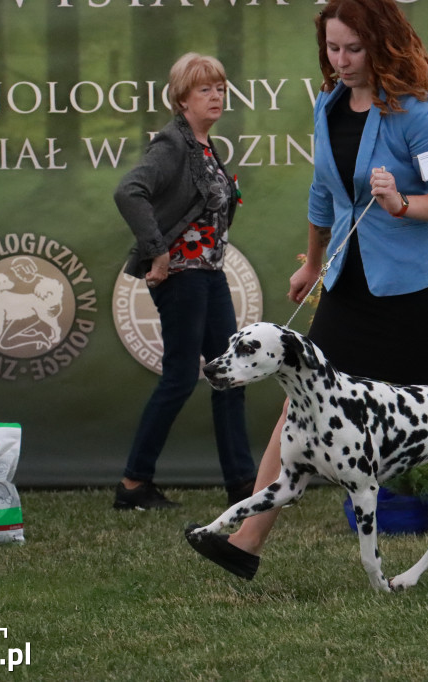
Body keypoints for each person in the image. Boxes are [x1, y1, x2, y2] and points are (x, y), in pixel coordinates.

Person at [186, 0, 428, 577]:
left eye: (353, 49)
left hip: (410, 294)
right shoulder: (328, 104)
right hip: (345, 287)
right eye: (333, 48)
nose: (340, 60)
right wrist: (312, 265)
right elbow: (323, 193)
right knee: (297, 403)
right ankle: (246, 544)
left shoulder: (417, 115)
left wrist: (401, 203)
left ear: (382, 44)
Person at [112, 52, 257, 510]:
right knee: (178, 378)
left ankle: (242, 486)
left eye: (219, 88)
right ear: (181, 98)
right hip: (181, 277)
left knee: (230, 377)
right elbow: (128, 191)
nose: (215, 97)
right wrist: (156, 250)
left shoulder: (203, 144)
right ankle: (133, 486)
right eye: (204, 90)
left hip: (208, 275)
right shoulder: (172, 144)